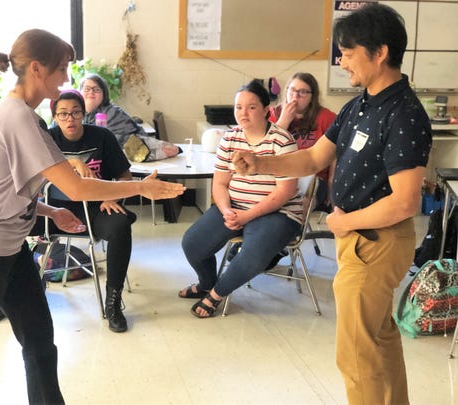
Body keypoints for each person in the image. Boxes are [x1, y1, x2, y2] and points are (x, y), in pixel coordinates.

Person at [0, 29, 184, 405]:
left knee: (40, 339)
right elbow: (77, 187)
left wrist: (50, 210)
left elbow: (10, 189)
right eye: (61, 69)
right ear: (38, 69)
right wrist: (139, 189)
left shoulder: (26, 116)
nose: (66, 79)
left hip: (9, 249)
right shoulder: (15, 118)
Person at [233, 4, 432, 404]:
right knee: (379, 337)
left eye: (349, 52)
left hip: (376, 239)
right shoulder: (360, 105)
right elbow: (312, 159)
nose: (341, 62)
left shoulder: (404, 113)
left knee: (356, 356)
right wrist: (261, 162)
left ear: (380, 53)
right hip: (359, 236)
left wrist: (346, 223)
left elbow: (406, 201)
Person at [179, 80, 304, 318]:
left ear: (267, 109)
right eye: (238, 107)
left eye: (251, 107)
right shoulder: (230, 138)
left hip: (278, 212)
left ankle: (216, 294)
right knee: (192, 243)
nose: (243, 113)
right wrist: (226, 210)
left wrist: (247, 215)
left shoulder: (282, 140)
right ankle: (207, 283)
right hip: (234, 207)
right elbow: (220, 183)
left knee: (252, 254)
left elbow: (285, 192)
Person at [31, 89, 136, 333]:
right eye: (63, 114)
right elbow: (34, 178)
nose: (70, 119)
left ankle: (113, 302)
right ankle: (15, 294)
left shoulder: (102, 137)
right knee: (15, 221)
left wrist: (114, 196)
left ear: (83, 114)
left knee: (121, 226)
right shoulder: (47, 139)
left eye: (76, 113)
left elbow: (124, 177)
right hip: (56, 211)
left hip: (96, 207)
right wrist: (73, 164)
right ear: (55, 117)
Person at [270, 72, 337, 208]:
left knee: (298, 205)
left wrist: (332, 183)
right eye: (292, 90)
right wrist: (283, 122)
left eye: (302, 92)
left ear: (312, 97)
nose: (295, 96)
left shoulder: (327, 118)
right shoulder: (274, 114)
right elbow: (266, 148)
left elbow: (335, 154)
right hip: (280, 177)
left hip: (313, 178)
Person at [80, 74, 180, 162]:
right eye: (87, 89)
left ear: (104, 94)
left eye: (96, 89)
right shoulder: (75, 113)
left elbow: (130, 137)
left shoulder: (113, 112)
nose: (91, 92)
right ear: (80, 92)